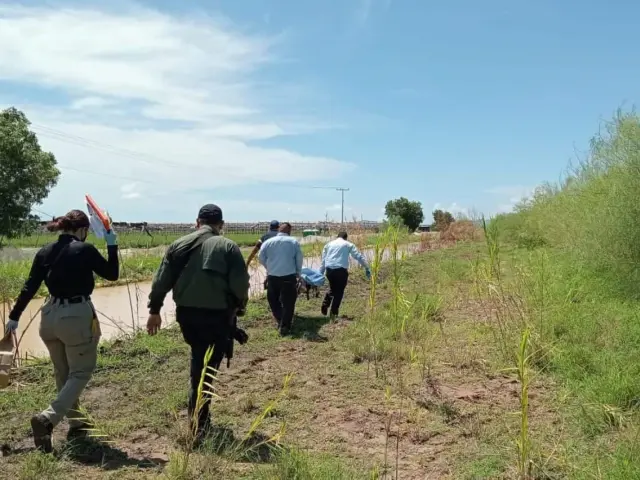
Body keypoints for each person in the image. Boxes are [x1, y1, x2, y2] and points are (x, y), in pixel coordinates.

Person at [4, 209, 119, 453]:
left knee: (62, 372)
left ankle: (76, 421)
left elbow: (30, 286)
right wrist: (112, 245)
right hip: (75, 316)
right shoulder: (84, 249)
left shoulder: (45, 251)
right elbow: (112, 274)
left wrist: (14, 316)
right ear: (82, 229)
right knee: (81, 371)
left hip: (49, 317)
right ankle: (48, 418)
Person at [146, 204, 250, 438]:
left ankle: (199, 417)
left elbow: (160, 281)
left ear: (197, 222)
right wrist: (240, 306)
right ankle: (199, 422)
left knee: (199, 359)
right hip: (217, 318)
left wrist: (155, 310)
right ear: (221, 224)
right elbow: (241, 284)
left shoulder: (178, 245)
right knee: (205, 369)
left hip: (187, 317)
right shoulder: (228, 246)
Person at [259, 222, 303, 336]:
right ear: (289, 231)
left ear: (279, 229)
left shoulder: (268, 242)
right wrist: (298, 273)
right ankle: (285, 325)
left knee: (273, 300)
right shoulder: (293, 242)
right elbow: (299, 259)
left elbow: (261, 257)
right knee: (289, 302)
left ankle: (280, 319)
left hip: (273, 276)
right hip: (289, 276)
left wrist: (269, 267)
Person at [319, 231, 371, 320]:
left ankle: (325, 303)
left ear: (337, 236)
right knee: (339, 292)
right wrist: (366, 267)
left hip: (329, 271)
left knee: (333, 289)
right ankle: (333, 313)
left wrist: (320, 274)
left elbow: (323, 261)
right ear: (346, 238)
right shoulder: (348, 244)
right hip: (341, 271)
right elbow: (358, 256)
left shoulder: (328, 245)